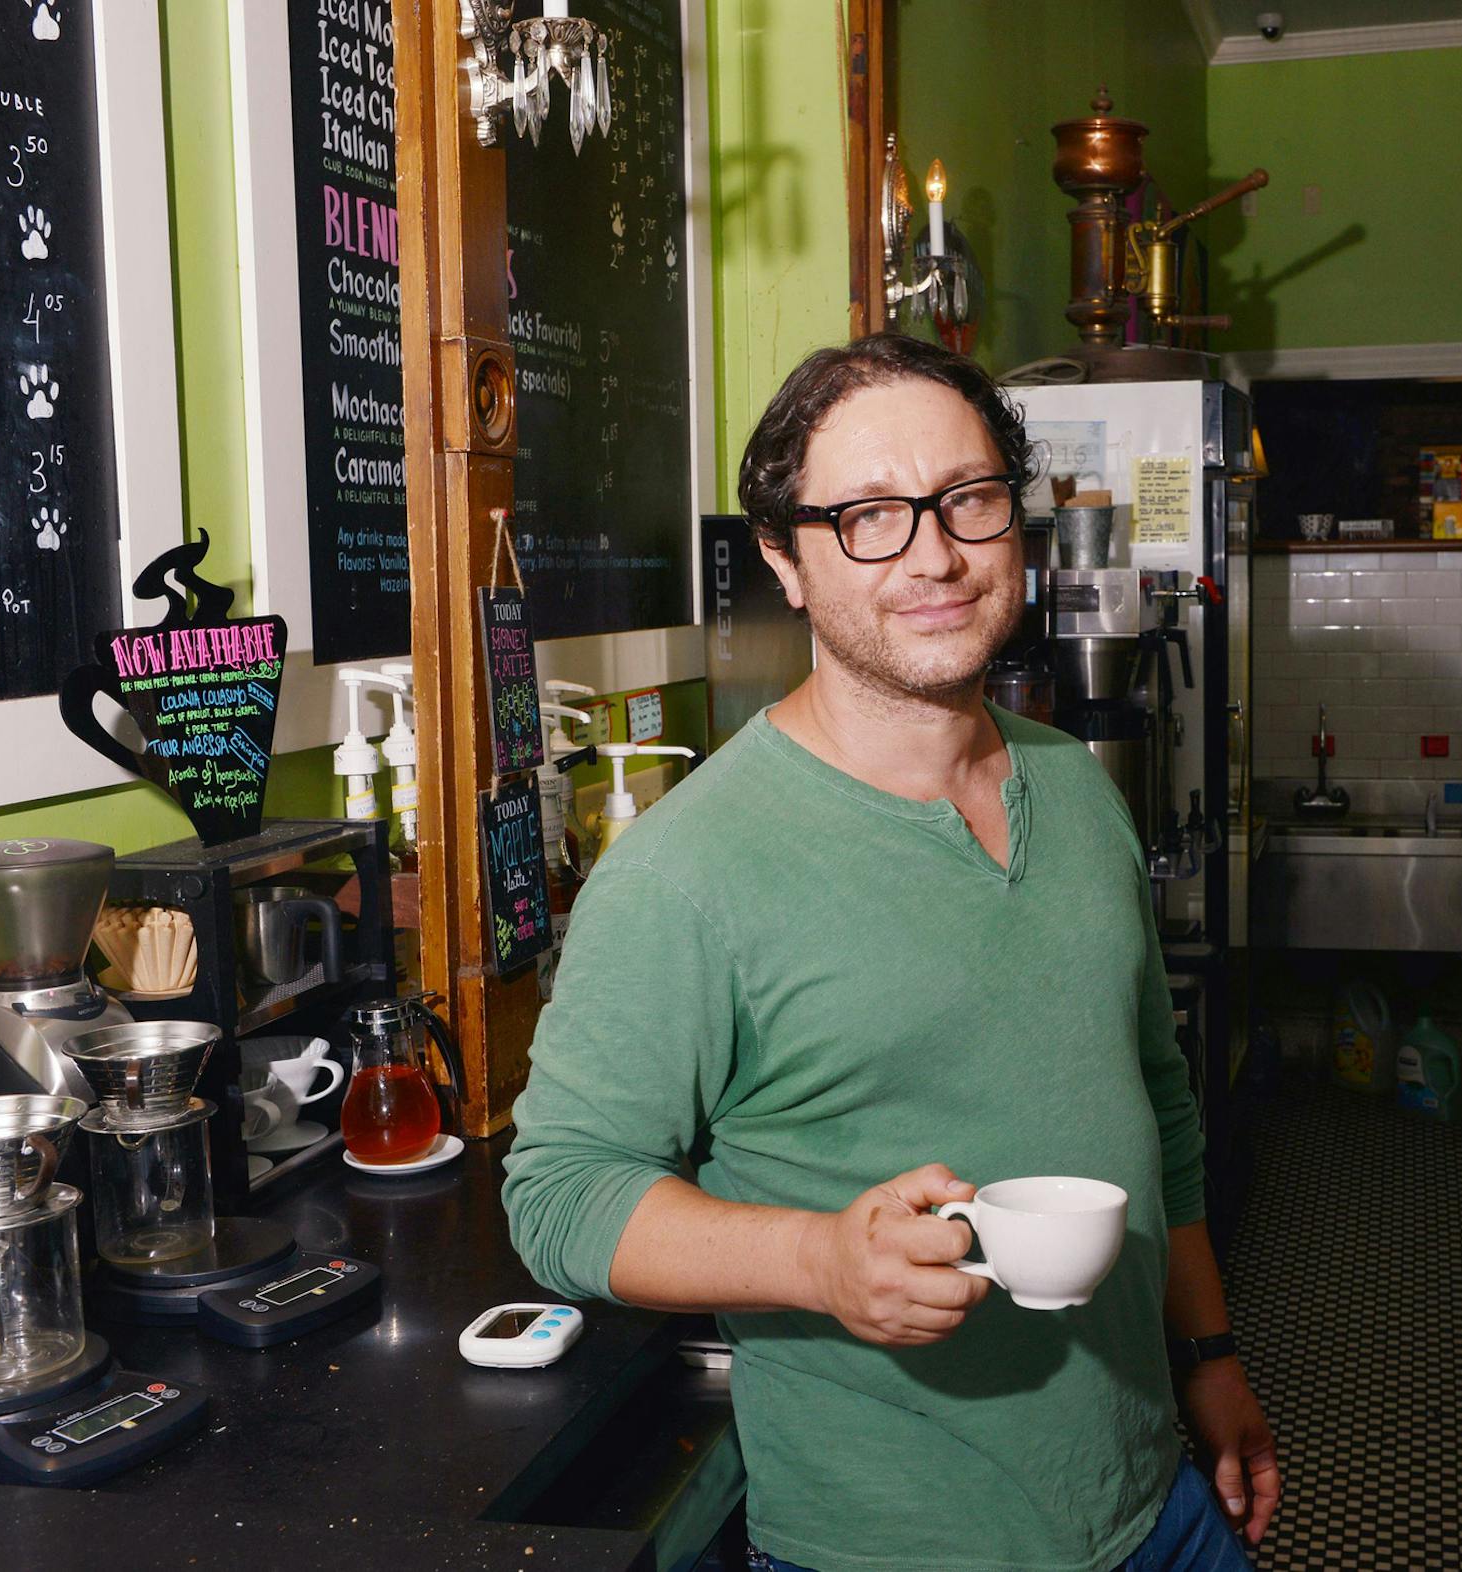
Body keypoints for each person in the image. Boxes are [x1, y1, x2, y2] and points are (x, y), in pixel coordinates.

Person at [503, 332, 1277, 1572]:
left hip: (1156, 1508)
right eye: (868, 515)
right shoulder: (687, 871)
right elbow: (560, 1194)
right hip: (891, 1544)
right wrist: (821, 1260)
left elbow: (1160, 1111)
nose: (933, 554)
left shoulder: (1079, 791)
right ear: (784, 560)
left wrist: (1211, 1358)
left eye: (968, 498)